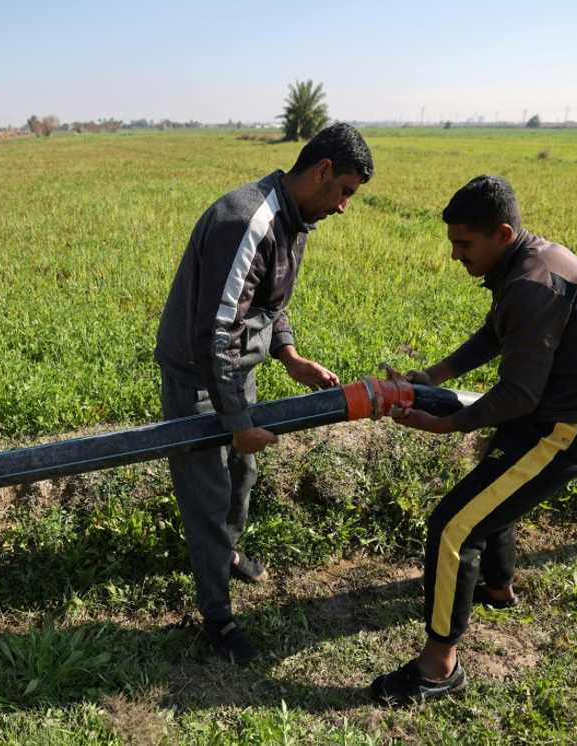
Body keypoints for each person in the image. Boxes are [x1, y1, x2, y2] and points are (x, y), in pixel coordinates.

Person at [371, 175, 577, 705]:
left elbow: (517, 397)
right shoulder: (529, 262)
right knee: (493, 493)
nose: (455, 256)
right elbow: (497, 333)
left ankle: (439, 667)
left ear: (503, 233)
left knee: (453, 528)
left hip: (565, 424)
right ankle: (497, 588)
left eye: (464, 245)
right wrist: (434, 375)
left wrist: (444, 424)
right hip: (552, 407)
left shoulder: (533, 285)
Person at [155, 123, 374, 664]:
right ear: (322, 171)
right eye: (344, 190)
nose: (345, 206)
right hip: (199, 375)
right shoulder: (246, 220)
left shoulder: (294, 219)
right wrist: (235, 419)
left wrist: (290, 355)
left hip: (232, 370)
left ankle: (224, 555)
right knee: (207, 494)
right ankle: (217, 618)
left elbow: (269, 304)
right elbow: (219, 329)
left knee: (241, 475)